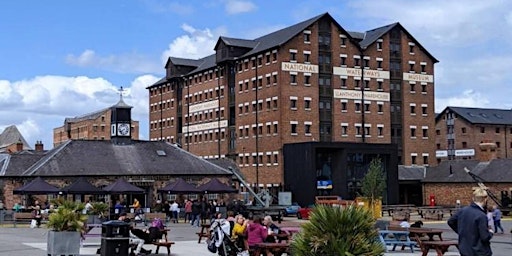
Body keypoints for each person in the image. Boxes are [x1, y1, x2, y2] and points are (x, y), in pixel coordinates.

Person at [448, 188, 493, 256]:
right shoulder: (481, 215)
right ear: (485, 199)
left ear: (473, 198)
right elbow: (485, 237)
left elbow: (451, 221)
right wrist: (490, 232)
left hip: (464, 249)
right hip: (479, 251)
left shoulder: (462, 210)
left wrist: (460, 231)